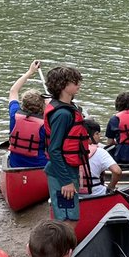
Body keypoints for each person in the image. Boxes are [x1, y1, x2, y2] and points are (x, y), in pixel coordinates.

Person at [44, 65, 91, 226]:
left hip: (68, 169)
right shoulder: (62, 114)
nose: (79, 84)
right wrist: (66, 181)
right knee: (66, 221)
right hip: (62, 173)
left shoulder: (69, 108)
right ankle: (64, 244)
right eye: (75, 81)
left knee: (71, 217)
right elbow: (54, 149)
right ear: (63, 85)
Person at [6, 60, 47, 169]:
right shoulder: (46, 124)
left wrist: (30, 72)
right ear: (43, 106)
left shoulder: (14, 114)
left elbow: (13, 91)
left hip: (16, 164)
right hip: (41, 166)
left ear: (23, 104)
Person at [79, 119, 121, 197]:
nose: (99, 136)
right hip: (97, 193)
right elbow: (117, 171)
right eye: (97, 133)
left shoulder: (71, 151)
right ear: (89, 136)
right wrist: (111, 187)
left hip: (74, 194)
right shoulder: (100, 152)